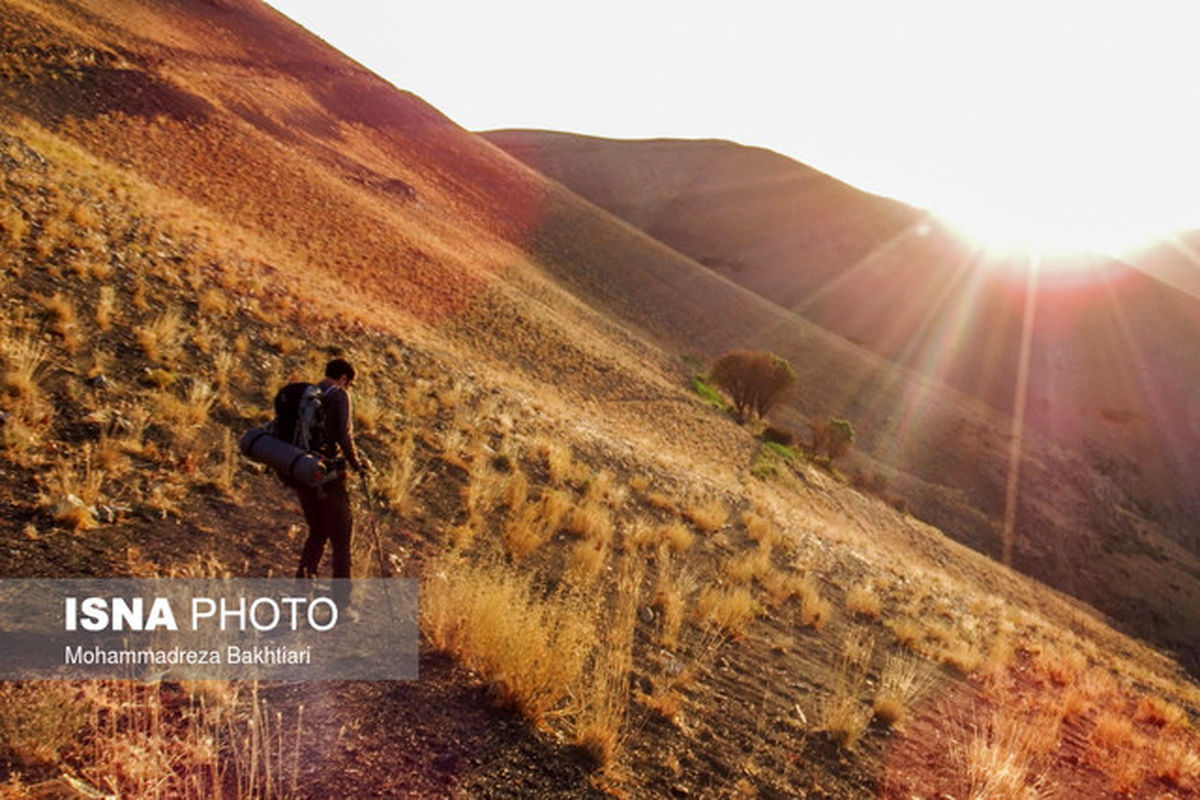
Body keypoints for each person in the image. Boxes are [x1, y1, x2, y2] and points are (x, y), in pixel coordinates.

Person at [294, 358, 369, 590]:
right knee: (342, 536)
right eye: (350, 384)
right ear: (344, 378)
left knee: (318, 531)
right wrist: (357, 465)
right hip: (328, 474)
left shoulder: (309, 394)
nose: (349, 388)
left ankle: (302, 589)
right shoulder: (339, 395)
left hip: (303, 468)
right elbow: (344, 436)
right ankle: (342, 599)